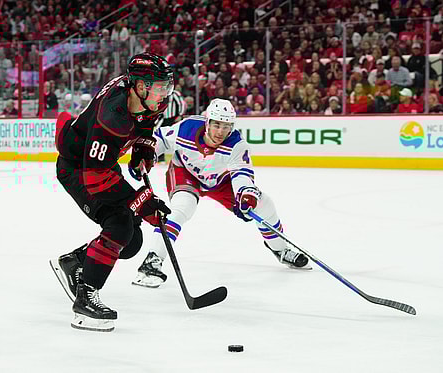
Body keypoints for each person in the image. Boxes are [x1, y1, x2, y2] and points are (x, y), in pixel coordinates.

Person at [49, 53, 174, 332]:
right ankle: (85, 300)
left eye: (166, 86)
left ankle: (76, 263)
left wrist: (142, 150)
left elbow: (144, 126)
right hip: (78, 169)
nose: (164, 93)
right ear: (140, 87)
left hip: (98, 165)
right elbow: (95, 179)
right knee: (119, 225)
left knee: (131, 241)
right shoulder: (112, 117)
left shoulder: (141, 96)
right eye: (159, 87)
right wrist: (142, 203)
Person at [131, 98, 311, 289]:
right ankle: (152, 261)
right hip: (186, 173)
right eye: (216, 124)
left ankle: (281, 250)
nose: (220, 131)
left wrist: (245, 195)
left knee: (264, 204)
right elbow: (161, 139)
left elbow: (242, 173)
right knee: (182, 207)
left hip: (220, 181)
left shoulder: (236, 144)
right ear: (207, 121)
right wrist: (146, 153)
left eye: (226, 126)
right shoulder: (187, 128)